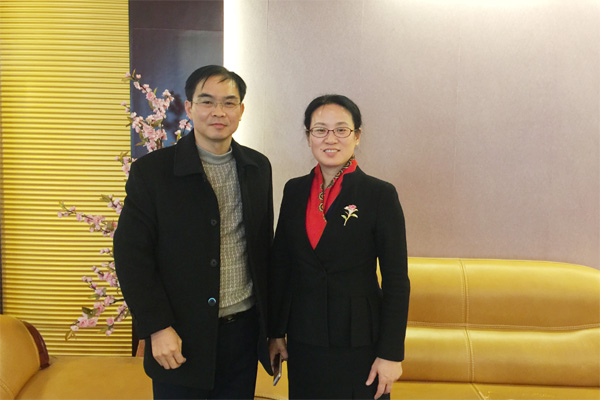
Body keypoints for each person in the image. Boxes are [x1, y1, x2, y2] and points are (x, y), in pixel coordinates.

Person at [114, 65, 273, 400]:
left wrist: (272, 330)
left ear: (241, 110)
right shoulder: (153, 172)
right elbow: (131, 256)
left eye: (229, 102)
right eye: (207, 101)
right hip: (179, 335)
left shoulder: (257, 167)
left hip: (242, 336)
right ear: (189, 107)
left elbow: (263, 251)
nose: (218, 111)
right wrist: (157, 327)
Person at [268, 95, 410, 399]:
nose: (330, 139)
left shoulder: (380, 195)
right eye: (320, 130)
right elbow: (282, 266)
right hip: (304, 338)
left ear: (357, 136)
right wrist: (276, 332)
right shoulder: (294, 190)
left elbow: (397, 281)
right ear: (308, 136)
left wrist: (391, 354)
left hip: (360, 341)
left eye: (341, 130)